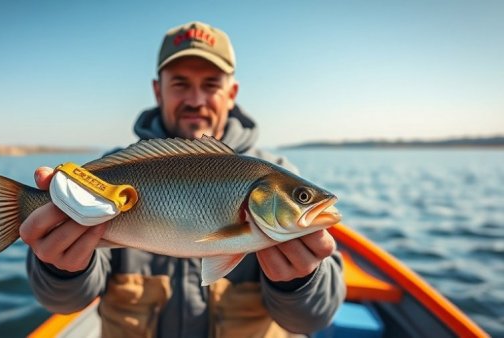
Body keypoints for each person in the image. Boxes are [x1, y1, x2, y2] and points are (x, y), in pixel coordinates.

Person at [21, 21, 345, 337]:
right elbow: (63, 302)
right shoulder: (108, 179)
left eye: (210, 84)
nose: (195, 100)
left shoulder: (278, 168)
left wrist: (301, 281)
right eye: (179, 83)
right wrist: (58, 268)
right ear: (157, 90)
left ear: (231, 93)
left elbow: (315, 317)